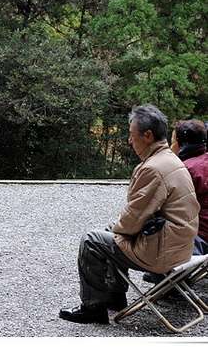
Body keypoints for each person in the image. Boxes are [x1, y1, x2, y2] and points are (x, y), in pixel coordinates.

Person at [59, 104, 199, 324]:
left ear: (147, 135)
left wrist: (118, 228)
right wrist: (118, 228)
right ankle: (115, 297)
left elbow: (132, 220)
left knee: (91, 239)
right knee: (111, 232)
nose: (129, 141)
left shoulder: (153, 168)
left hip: (161, 253)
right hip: (180, 247)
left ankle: (93, 308)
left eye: (132, 135)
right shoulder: (172, 160)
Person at [171, 120, 208, 255]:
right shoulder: (203, 161)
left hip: (199, 238)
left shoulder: (185, 169)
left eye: (172, 141)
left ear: (180, 144)